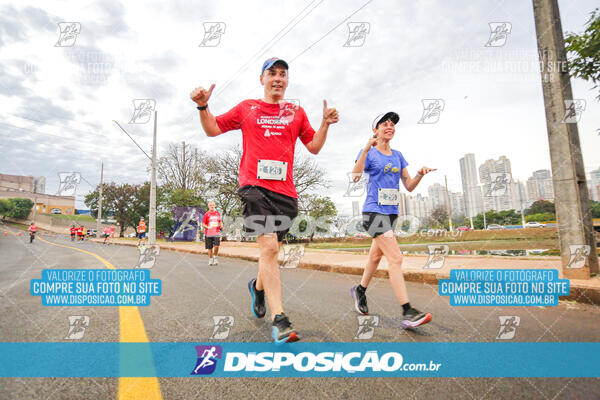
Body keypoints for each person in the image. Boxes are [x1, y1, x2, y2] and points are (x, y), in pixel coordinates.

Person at [190, 57, 338, 344]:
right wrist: (202, 106)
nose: (278, 78)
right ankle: (279, 318)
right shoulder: (248, 108)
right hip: (253, 186)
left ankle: (257, 288)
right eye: (272, 73)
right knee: (269, 246)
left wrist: (325, 124)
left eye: (283, 74)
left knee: (271, 252)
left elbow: (314, 147)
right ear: (262, 79)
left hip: (286, 193)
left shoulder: (296, 112)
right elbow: (212, 129)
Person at [350, 112, 436, 329]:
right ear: (375, 130)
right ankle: (408, 311)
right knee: (395, 258)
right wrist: (366, 148)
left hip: (391, 213)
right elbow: (356, 175)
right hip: (373, 212)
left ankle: (360, 289)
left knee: (375, 257)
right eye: (385, 124)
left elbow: (409, 185)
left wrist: (420, 174)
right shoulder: (369, 152)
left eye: (392, 125)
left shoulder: (397, 155)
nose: (390, 127)